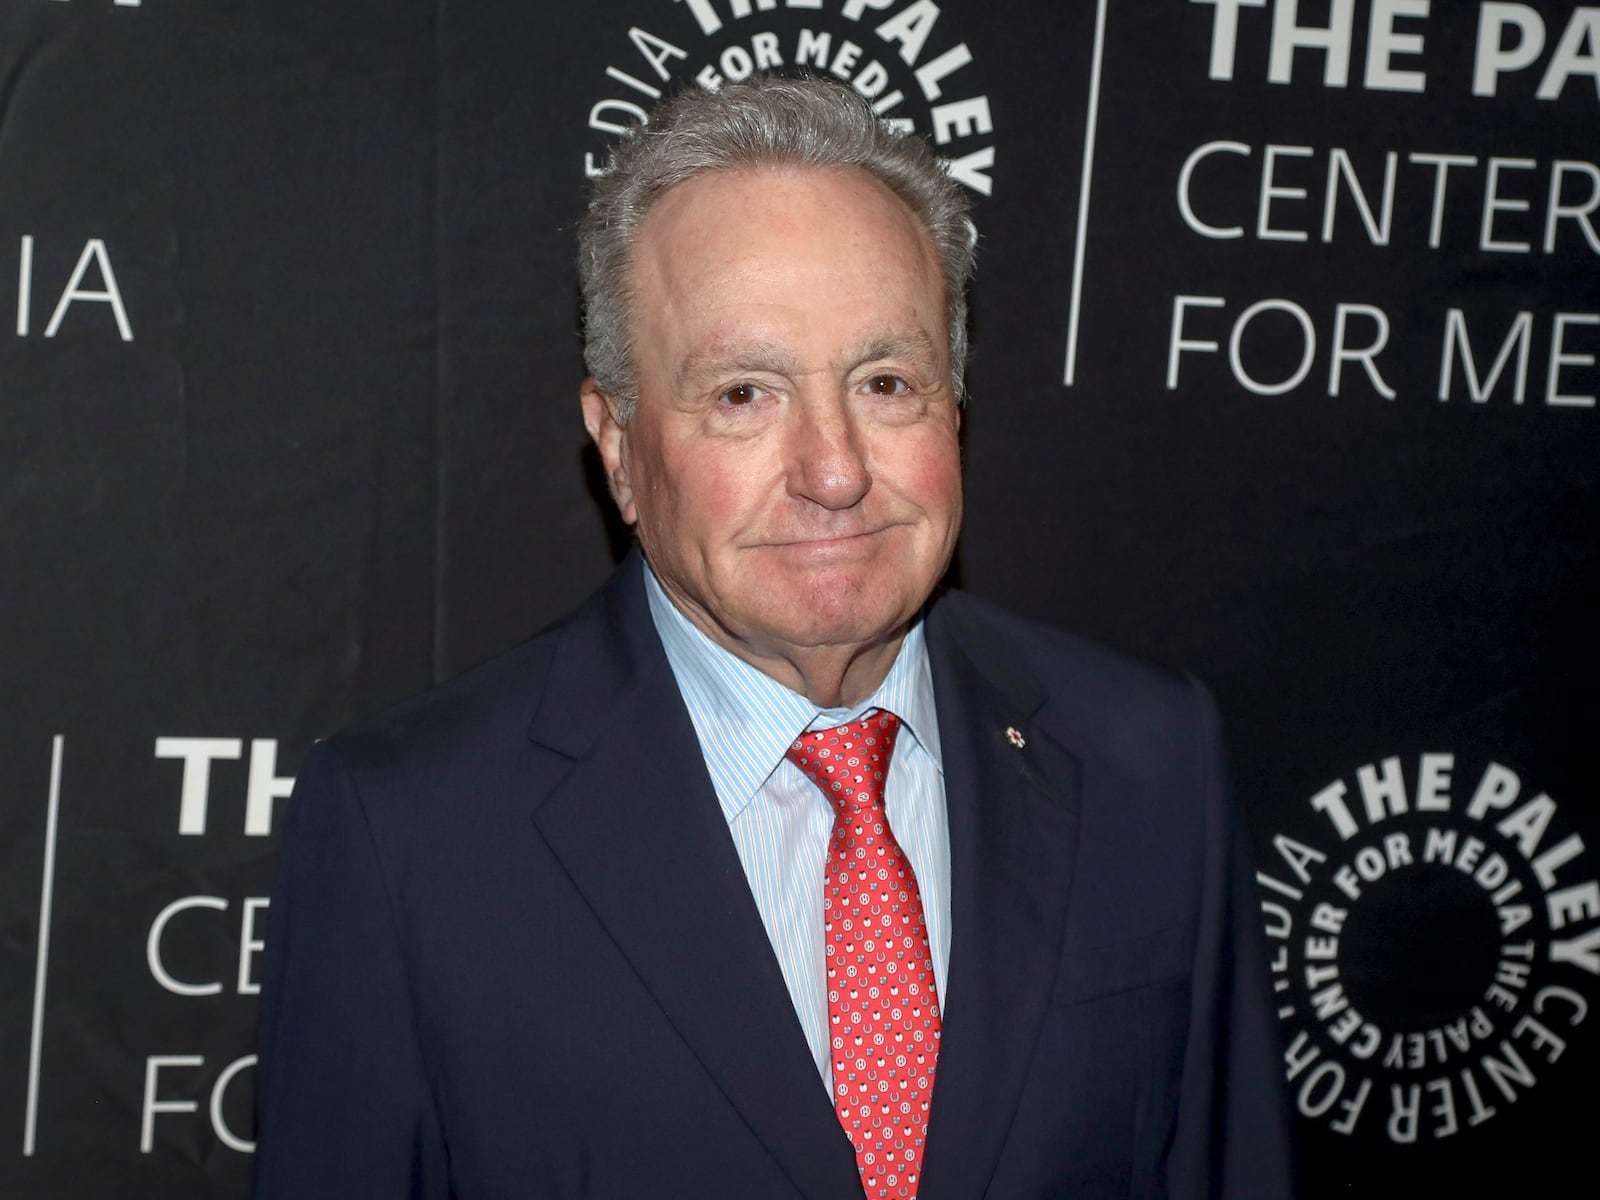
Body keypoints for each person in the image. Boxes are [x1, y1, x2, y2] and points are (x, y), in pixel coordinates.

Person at [254, 75, 1293, 1199]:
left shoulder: (1149, 760)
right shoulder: (408, 834)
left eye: (886, 382)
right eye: (745, 394)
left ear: (956, 404)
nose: (835, 471)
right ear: (616, 445)